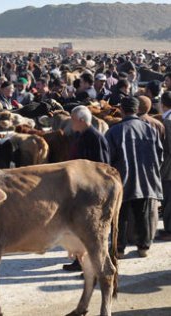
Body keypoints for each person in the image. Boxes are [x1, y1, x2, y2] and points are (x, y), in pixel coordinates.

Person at [105, 97, 163, 258]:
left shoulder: (114, 131)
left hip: (122, 180)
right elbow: (160, 155)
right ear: (137, 110)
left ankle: (119, 249)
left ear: (122, 110)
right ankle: (143, 247)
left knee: (120, 216)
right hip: (146, 179)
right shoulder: (150, 129)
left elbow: (107, 159)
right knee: (143, 214)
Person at [63, 105, 110, 271]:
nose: (71, 123)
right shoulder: (80, 135)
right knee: (79, 230)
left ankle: (92, 266)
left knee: (90, 231)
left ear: (81, 120)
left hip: (89, 192)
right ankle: (80, 261)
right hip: (79, 189)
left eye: (73, 119)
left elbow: (102, 166)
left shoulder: (95, 138)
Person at [156, 92, 171, 241]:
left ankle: (169, 230)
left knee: (168, 199)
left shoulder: (168, 122)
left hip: (169, 168)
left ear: (163, 104)